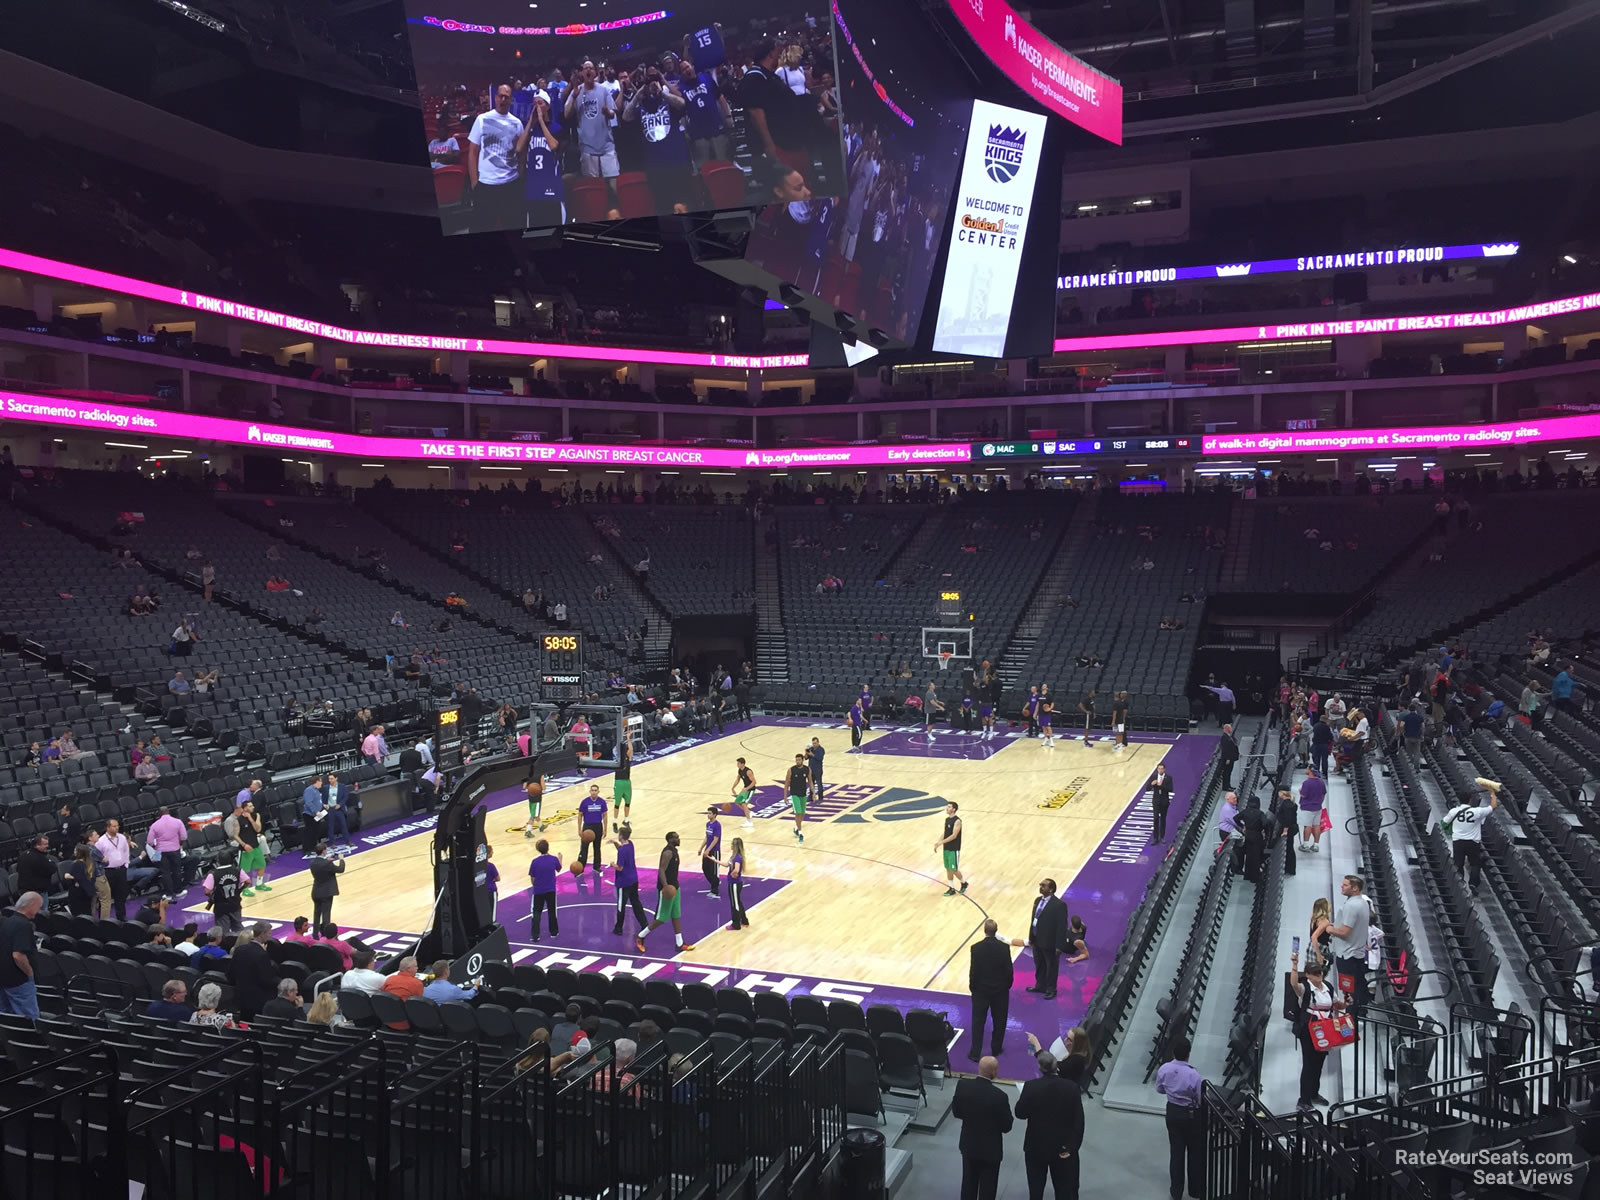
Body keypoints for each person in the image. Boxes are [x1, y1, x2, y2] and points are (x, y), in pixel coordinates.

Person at [1015, 1048, 1085, 1200]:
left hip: (1036, 1148)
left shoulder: (1031, 1087)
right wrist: (1072, 1147)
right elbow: (1078, 1121)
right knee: (1064, 1191)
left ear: (1041, 1068)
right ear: (1056, 1066)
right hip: (1062, 1148)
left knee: (1035, 1190)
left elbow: (1020, 1114)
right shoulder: (1071, 1088)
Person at [952, 1055, 1014, 1200]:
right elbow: (1007, 1126)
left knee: (968, 1185)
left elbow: (957, 1112)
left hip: (969, 1145)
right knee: (988, 1190)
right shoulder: (1000, 1097)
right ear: (994, 1071)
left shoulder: (963, 1086)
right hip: (990, 1151)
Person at [1288, 950, 1344, 1110]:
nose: (1318, 976)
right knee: (1309, 1064)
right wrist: (1294, 965)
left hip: (1325, 1029)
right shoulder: (1305, 988)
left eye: (1319, 973)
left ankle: (1314, 1093)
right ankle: (1303, 1100)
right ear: (1308, 975)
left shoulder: (1328, 987)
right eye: (1314, 974)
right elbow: (1293, 984)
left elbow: (1337, 1005)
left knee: (1319, 1063)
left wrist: (1346, 1003)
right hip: (1308, 1030)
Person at [1155, 1036, 1206, 1200]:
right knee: (1194, 1152)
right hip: (1190, 1115)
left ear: (1173, 1052)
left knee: (1176, 1153)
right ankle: (1195, 1190)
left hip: (1172, 1112)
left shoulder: (1164, 1069)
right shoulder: (1194, 1074)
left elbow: (1159, 1089)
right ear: (1188, 1054)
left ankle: (1176, 1192)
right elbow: (1199, 1098)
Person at [636, 831, 695, 956]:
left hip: (675, 886)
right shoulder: (668, 852)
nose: (679, 839)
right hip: (667, 889)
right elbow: (661, 870)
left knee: (676, 915)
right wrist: (665, 887)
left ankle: (680, 944)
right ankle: (640, 936)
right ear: (670, 840)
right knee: (662, 918)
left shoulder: (674, 851)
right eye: (676, 837)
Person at [1325, 874, 1371, 1016]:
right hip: (1356, 952)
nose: (1342, 887)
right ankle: (1360, 1011)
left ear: (1355, 888)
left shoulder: (1352, 906)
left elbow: (1345, 932)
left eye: (1345, 885)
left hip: (1347, 954)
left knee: (1348, 988)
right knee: (1357, 985)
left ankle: (1351, 1016)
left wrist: (1330, 929)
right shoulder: (1363, 901)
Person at [967, 918, 1012, 1061]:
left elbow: (973, 972)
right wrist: (1006, 987)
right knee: (1000, 1021)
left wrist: (974, 989)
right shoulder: (1004, 948)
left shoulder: (976, 948)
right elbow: (1009, 971)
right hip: (1000, 992)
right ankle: (996, 1049)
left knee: (978, 1022)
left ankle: (975, 1053)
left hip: (981, 992)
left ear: (984, 931)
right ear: (996, 931)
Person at [1445, 777, 1501, 892]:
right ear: (1470, 800)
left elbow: (1444, 823)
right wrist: (1493, 794)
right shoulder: (1477, 811)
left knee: (1458, 864)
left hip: (1458, 841)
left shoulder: (1453, 811)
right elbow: (1493, 806)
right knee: (1475, 864)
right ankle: (1473, 884)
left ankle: (1459, 884)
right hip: (1473, 842)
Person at [1016, 878, 1068, 999]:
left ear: (1051, 889)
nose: (1041, 887)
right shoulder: (1037, 900)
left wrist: (1059, 946)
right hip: (1036, 939)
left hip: (1050, 942)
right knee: (1039, 964)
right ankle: (1040, 985)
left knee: (1051, 966)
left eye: (1043, 886)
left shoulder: (1059, 905)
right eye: (1040, 885)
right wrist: (1031, 937)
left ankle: (1051, 989)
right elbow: (1034, 919)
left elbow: (1062, 927)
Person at [0, 893, 43, 1019]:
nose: (39, 910)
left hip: (4, 978)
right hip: (19, 980)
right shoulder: (23, 925)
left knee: (6, 1017)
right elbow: (18, 955)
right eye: (38, 907)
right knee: (29, 1018)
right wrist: (29, 973)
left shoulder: (7, 922)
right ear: (31, 905)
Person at [233, 922, 280, 1018]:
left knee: (243, 1024)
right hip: (257, 1000)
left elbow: (231, 973)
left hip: (240, 996)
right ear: (262, 934)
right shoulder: (262, 954)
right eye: (268, 933)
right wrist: (280, 981)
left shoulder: (239, 950)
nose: (269, 936)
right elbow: (266, 980)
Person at [609, 824, 649, 936]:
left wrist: (613, 864)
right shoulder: (631, 844)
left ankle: (619, 928)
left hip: (623, 882)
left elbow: (620, 867)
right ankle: (644, 923)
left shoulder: (622, 851)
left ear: (621, 836)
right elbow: (621, 849)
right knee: (636, 903)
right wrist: (614, 843)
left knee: (621, 906)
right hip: (633, 879)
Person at [96, 818, 133, 919]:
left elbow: (126, 851)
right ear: (108, 828)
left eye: (117, 826)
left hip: (121, 870)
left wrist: (126, 864)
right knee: (106, 897)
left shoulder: (121, 837)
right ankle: (104, 919)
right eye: (114, 826)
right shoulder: (101, 841)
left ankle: (121, 917)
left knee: (121, 895)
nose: (117, 828)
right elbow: (96, 856)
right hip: (108, 871)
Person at [147, 806, 188, 898]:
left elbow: (150, 841)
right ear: (168, 812)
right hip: (175, 849)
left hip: (159, 851)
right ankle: (178, 891)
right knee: (176, 870)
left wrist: (156, 846)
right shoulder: (178, 822)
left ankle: (168, 894)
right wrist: (179, 844)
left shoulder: (154, 825)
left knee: (164, 872)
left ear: (159, 814)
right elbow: (184, 837)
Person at [529, 838, 562, 939]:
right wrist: (560, 858)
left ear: (538, 849)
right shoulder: (553, 859)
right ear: (548, 848)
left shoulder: (535, 862)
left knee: (536, 912)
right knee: (552, 911)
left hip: (538, 890)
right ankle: (554, 932)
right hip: (550, 890)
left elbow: (532, 879)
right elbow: (559, 868)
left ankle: (535, 935)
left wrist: (536, 885)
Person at [308, 842, 345, 929]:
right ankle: (325, 935)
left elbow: (321, 866)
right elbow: (340, 869)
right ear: (324, 851)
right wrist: (341, 859)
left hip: (316, 891)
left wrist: (327, 860)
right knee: (326, 915)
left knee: (316, 914)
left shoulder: (312, 862)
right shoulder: (327, 864)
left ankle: (315, 934)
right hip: (326, 892)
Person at [937, 801, 967, 897]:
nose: (947, 808)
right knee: (948, 868)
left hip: (954, 849)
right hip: (946, 848)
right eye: (947, 806)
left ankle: (964, 883)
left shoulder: (957, 821)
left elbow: (954, 835)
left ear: (954, 809)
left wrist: (942, 842)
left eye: (949, 807)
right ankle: (951, 888)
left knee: (954, 869)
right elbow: (945, 833)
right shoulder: (947, 820)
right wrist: (938, 842)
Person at [577, 785, 608, 874]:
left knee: (597, 847)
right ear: (590, 791)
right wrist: (579, 829)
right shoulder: (585, 802)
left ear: (598, 791)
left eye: (595, 790)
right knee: (584, 848)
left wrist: (605, 829)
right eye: (592, 790)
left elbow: (605, 815)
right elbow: (580, 815)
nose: (594, 792)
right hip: (587, 826)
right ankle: (580, 867)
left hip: (598, 826)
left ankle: (596, 867)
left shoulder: (602, 802)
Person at [781, 753, 811, 843]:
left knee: (802, 813)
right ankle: (800, 833)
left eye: (799, 760)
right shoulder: (791, 770)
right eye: (796, 760)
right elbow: (786, 783)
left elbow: (810, 781)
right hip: (794, 793)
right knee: (797, 812)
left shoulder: (807, 769)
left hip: (803, 793)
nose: (797, 761)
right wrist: (785, 796)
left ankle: (796, 828)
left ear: (802, 760)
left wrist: (813, 792)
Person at [1299, 766, 1327, 853]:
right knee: (1316, 825)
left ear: (1310, 771)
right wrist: (1319, 803)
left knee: (1307, 826)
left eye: (1307, 768)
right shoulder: (1321, 782)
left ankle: (1305, 844)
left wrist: (1300, 791)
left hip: (1307, 807)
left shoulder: (1306, 783)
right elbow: (1323, 794)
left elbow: (1304, 795)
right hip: (1317, 807)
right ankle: (1316, 845)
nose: (1306, 770)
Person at [1273, 785, 1299, 878]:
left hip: (1289, 828)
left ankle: (1290, 868)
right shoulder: (1289, 803)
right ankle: (1289, 868)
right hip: (1292, 827)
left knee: (1289, 848)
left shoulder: (1286, 805)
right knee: (1289, 847)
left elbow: (1288, 819)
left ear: (1282, 793)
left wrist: (1285, 830)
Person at [697, 806, 723, 898]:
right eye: (708, 813)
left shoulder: (717, 825)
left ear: (715, 814)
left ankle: (715, 891)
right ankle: (714, 882)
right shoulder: (708, 824)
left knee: (714, 871)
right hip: (707, 850)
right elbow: (707, 837)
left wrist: (708, 850)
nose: (708, 815)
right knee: (705, 868)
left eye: (710, 813)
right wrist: (701, 848)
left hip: (714, 851)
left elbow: (716, 839)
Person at [1150, 764, 1174, 843]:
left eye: (1162, 769)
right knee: (1156, 818)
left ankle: (1162, 837)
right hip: (1156, 801)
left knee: (1163, 819)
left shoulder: (1168, 778)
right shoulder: (1153, 777)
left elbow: (1170, 789)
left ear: (1164, 770)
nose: (1160, 770)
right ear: (1157, 769)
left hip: (1164, 801)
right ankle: (1155, 838)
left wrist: (1161, 785)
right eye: (1159, 769)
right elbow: (1147, 788)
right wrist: (1151, 784)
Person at [613, 739, 633, 831]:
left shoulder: (627, 756)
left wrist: (628, 739)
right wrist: (621, 732)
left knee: (628, 803)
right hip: (619, 781)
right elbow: (617, 747)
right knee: (617, 803)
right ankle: (615, 822)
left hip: (627, 782)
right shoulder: (617, 757)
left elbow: (631, 749)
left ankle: (626, 820)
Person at [730, 756, 756, 828]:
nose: (737, 765)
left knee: (744, 804)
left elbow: (754, 782)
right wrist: (733, 787)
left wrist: (747, 788)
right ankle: (749, 812)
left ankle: (749, 822)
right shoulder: (740, 770)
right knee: (737, 802)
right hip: (745, 789)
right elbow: (738, 779)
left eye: (738, 763)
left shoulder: (748, 771)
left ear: (743, 764)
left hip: (750, 789)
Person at [522, 774, 547, 839]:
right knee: (533, 815)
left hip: (531, 798)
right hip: (537, 799)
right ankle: (528, 831)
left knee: (536, 814)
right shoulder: (540, 775)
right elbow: (544, 787)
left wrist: (531, 788)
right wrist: (538, 788)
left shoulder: (528, 774)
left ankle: (541, 826)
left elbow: (524, 787)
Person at [806, 736, 826, 803]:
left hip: (818, 770)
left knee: (819, 784)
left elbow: (820, 758)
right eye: (813, 743)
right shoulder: (811, 749)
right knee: (811, 784)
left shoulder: (821, 750)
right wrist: (806, 753)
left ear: (818, 743)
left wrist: (812, 754)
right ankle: (811, 797)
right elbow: (805, 758)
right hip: (811, 769)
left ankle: (820, 798)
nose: (814, 745)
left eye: (815, 743)